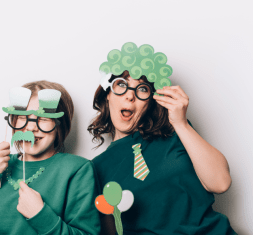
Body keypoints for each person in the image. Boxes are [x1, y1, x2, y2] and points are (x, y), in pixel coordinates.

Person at [89, 43, 236, 234]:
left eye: (142, 89)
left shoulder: (175, 132)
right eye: (122, 85)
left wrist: (181, 124)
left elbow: (220, 182)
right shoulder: (95, 169)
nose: (130, 97)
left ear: (151, 100)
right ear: (108, 94)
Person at [0, 80, 100, 235]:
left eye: (43, 118)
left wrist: (40, 215)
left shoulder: (78, 170)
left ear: (60, 124)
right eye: (23, 117)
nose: (30, 127)